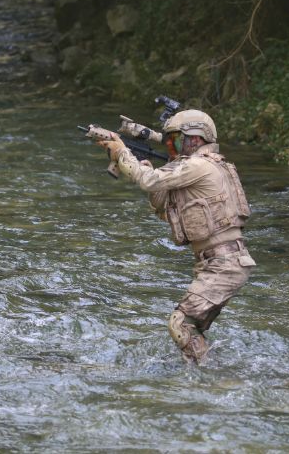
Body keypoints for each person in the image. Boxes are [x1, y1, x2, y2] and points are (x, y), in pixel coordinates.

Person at [97, 110, 256, 363]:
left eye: (177, 141)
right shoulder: (204, 167)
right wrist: (143, 168)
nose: (172, 147)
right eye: (169, 141)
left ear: (197, 138)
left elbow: (148, 181)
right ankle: (206, 368)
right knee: (189, 327)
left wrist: (121, 151)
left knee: (179, 324)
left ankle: (204, 376)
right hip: (219, 263)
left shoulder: (199, 165)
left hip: (224, 263)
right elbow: (165, 209)